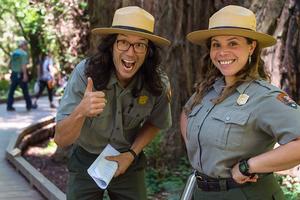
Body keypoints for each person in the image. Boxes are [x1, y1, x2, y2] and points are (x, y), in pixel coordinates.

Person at [181, 5, 300, 200]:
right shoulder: (208, 90)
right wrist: (195, 146)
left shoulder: (265, 97)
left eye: (233, 43)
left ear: (251, 46)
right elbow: (186, 113)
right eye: (216, 44)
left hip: (245, 194)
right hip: (200, 192)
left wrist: (249, 167)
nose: (222, 52)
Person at [54, 6, 172, 200]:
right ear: (111, 46)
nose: (130, 53)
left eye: (139, 45)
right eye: (123, 42)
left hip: (127, 160)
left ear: (148, 51)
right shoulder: (85, 74)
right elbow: (61, 139)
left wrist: (131, 154)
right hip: (86, 159)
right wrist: (81, 111)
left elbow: (155, 123)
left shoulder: (157, 83)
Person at [7, 40, 32, 111]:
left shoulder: (14, 53)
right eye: (26, 45)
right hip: (20, 74)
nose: (26, 47)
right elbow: (23, 65)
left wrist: (11, 70)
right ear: (23, 46)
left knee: (11, 90)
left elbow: (9, 64)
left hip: (14, 73)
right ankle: (29, 106)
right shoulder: (23, 54)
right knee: (25, 90)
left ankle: (9, 106)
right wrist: (25, 74)